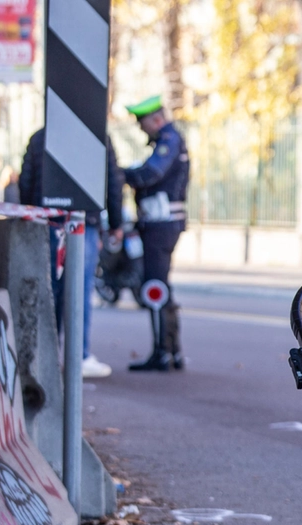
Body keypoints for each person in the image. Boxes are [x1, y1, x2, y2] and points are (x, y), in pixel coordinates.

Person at [17, 129, 124, 378]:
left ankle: (46, 355)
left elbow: (26, 180)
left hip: (46, 222)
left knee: (48, 289)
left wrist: (30, 217)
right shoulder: (97, 134)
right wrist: (115, 223)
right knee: (78, 290)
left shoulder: (40, 137)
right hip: (82, 220)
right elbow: (112, 181)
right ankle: (80, 355)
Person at [122, 95, 191, 372]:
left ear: (157, 119)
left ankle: (163, 352)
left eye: (142, 123)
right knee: (161, 287)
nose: (141, 129)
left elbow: (150, 174)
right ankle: (171, 351)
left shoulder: (169, 141)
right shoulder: (168, 140)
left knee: (155, 288)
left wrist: (120, 174)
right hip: (161, 225)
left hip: (161, 225)